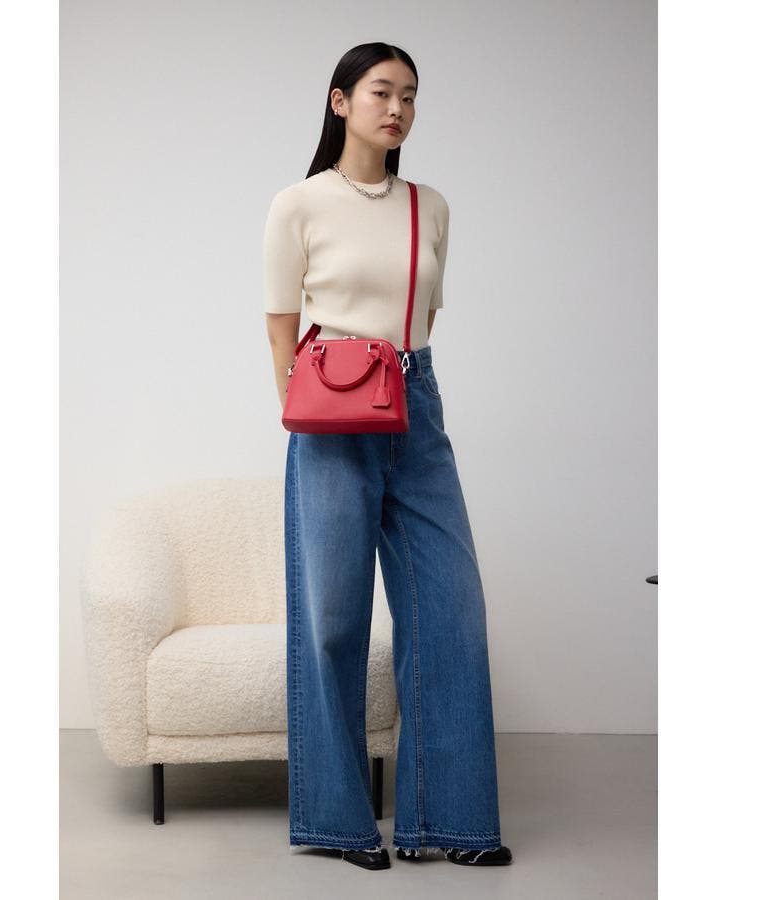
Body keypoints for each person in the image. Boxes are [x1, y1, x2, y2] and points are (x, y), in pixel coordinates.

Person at [263, 42, 513, 872]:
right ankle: (338, 823)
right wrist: (299, 408)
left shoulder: (429, 206)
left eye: (409, 94)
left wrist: (401, 383)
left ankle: (451, 822)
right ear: (340, 101)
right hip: (332, 413)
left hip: (415, 405)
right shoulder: (299, 203)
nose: (397, 107)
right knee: (334, 622)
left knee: (451, 613)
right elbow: (279, 322)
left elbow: (424, 319)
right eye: (380, 91)